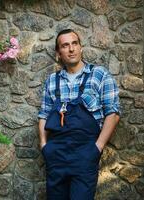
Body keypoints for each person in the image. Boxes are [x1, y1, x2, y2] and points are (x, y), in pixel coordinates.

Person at [38, 29, 120, 200]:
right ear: (58, 53)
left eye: (75, 43)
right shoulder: (52, 80)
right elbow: (44, 114)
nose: (71, 49)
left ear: (81, 48)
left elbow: (113, 113)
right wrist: (44, 145)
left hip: (85, 153)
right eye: (65, 45)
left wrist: (97, 147)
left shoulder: (99, 75)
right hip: (56, 154)